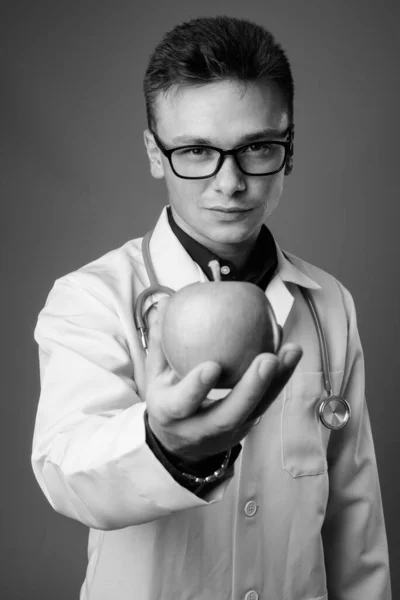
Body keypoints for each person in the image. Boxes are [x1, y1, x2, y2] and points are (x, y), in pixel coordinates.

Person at [31, 15, 391, 600]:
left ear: (289, 149)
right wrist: (162, 443)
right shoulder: (93, 296)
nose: (229, 182)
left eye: (257, 148)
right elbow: (65, 470)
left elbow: (356, 518)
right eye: (196, 150)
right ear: (155, 151)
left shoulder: (329, 305)